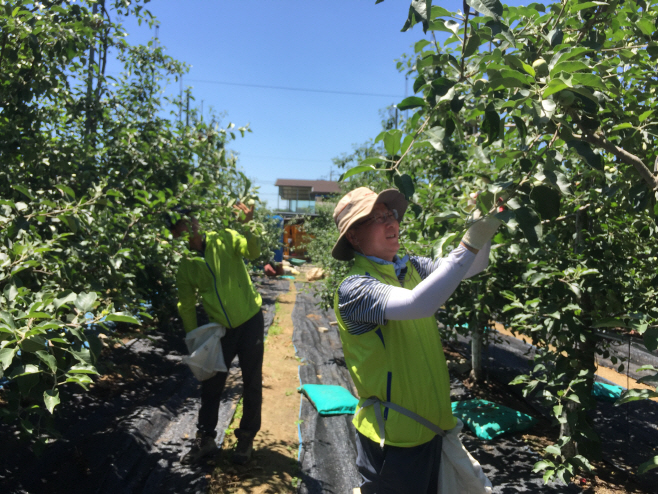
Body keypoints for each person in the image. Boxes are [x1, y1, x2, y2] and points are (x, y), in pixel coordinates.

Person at [332, 187, 501, 493]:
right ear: (354, 238)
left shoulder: (410, 268)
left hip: (430, 428)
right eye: (375, 218)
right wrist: (472, 239)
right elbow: (417, 304)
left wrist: (485, 225)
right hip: (393, 438)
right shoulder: (354, 289)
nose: (391, 223)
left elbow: (470, 266)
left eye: (390, 215)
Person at [167, 203, 263, 465]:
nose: (189, 226)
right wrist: (194, 340)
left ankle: (245, 439)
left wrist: (247, 224)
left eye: (190, 220)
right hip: (220, 330)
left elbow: (253, 252)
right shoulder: (186, 265)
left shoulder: (226, 237)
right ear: (175, 233)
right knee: (211, 384)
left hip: (250, 320)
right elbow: (185, 304)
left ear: (197, 221)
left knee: (252, 381)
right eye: (180, 225)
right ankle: (206, 439)